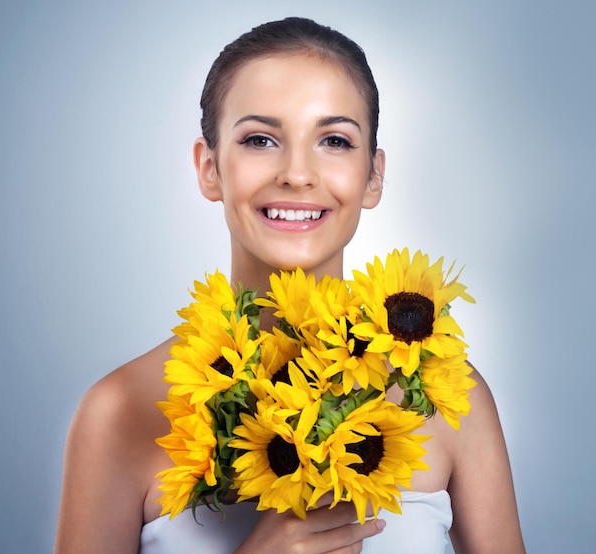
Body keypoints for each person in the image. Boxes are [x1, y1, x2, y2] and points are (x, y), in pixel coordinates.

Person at [54, 17, 525, 554]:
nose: (297, 173)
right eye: (260, 139)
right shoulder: (119, 414)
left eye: (334, 140)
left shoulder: (452, 401)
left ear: (373, 176)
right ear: (210, 168)